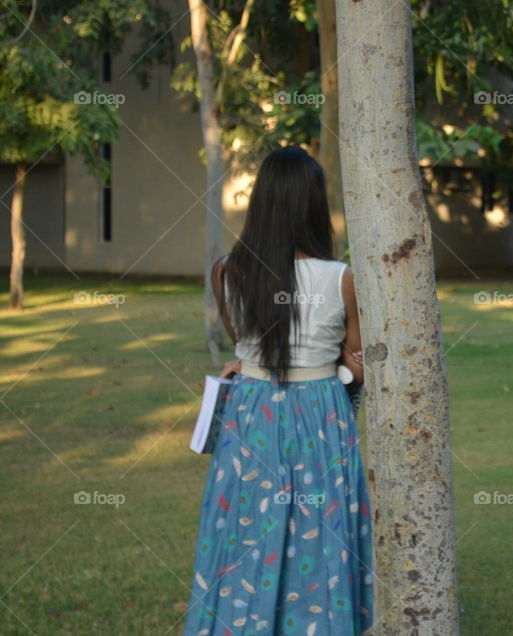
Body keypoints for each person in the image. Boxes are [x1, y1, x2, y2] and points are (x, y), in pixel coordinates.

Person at [183, 146, 374, 636]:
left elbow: (243, 340)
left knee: (244, 529)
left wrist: (253, 363)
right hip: (319, 413)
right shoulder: (341, 278)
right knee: (320, 532)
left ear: (262, 202)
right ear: (313, 205)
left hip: (250, 412)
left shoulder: (228, 270)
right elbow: (358, 366)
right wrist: (334, 358)